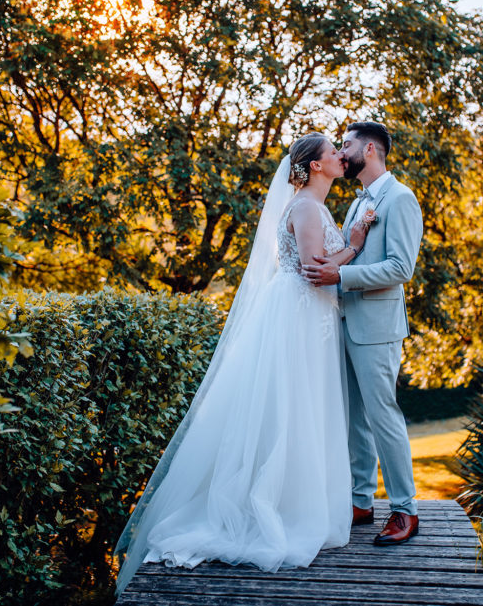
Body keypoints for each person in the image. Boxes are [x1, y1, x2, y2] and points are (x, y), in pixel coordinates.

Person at [113, 133, 371, 593]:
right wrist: (352, 245)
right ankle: (284, 508)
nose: (340, 155)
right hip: (301, 318)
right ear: (314, 165)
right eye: (333, 151)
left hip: (307, 318)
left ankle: (297, 498)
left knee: (300, 409)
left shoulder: (311, 204)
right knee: (296, 408)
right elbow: (316, 272)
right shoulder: (309, 207)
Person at [303, 121, 424, 546]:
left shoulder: (401, 199)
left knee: (383, 415)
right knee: (356, 419)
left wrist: (341, 276)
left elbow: (400, 269)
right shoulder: (358, 204)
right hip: (345, 322)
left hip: (376, 328)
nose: (342, 150)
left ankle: (405, 510)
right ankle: (361, 501)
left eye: (347, 143)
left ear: (369, 149)